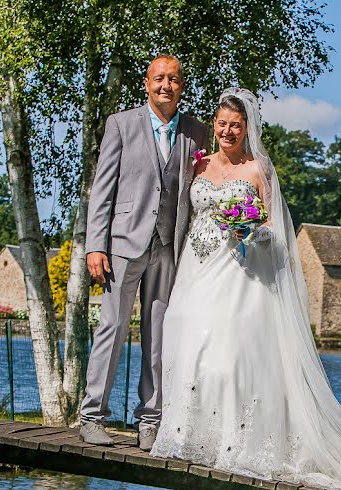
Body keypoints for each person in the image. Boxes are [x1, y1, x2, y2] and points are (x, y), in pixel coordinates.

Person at [150, 88, 341, 489]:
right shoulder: (199, 163)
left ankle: (234, 442)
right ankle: (185, 434)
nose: (227, 131)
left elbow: (271, 225)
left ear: (247, 128)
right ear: (213, 125)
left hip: (237, 269)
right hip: (196, 266)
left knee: (227, 352)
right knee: (187, 337)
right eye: (222, 124)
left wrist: (251, 231)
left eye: (235, 125)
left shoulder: (258, 168)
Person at [80, 55, 210, 450]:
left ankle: (150, 421)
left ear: (182, 86)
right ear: (146, 83)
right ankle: (91, 417)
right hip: (122, 245)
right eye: (159, 79)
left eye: (173, 79)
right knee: (111, 329)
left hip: (169, 247)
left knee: (158, 337)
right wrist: (95, 246)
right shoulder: (121, 124)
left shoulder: (197, 133)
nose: (165, 86)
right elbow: (102, 190)